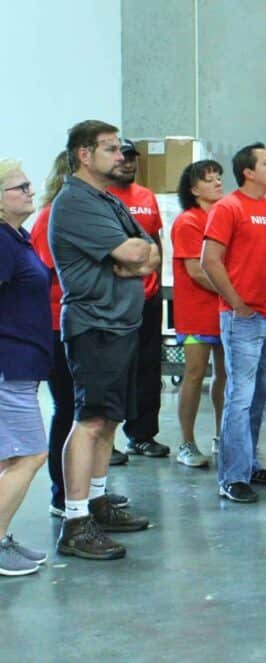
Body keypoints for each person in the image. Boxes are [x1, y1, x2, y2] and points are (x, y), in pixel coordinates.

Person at [50, 120, 157, 559]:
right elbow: (137, 253)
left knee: (109, 420)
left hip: (121, 324)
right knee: (91, 420)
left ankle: (96, 501)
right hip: (95, 326)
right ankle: (75, 521)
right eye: (111, 149)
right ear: (84, 155)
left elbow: (151, 251)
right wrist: (134, 256)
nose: (120, 157)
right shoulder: (75, 202)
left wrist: (135, 257)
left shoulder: (107, 201)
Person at [31, 152, 133, 518]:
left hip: (89, 321)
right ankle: (64, 497)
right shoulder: (53, 218)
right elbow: (53, 272)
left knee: (95, 416)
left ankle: (90, 494)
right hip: (60, 324)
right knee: (72, 413)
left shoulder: (92, 214)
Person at [202, 142, 266, 503]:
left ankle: (249, 462)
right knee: (239, 396)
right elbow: (210, 260)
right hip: (244, 319)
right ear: (248, 172)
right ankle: (233, 477)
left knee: (263, 395)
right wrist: (237, 303)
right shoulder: (228, 208)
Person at [0, 158, 51, 575]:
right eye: (20, 187)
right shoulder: (1, 241)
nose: (30, 191)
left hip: (21, 362)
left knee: (8, 458)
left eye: (30, 185)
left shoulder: (19, 237)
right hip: (8, 364)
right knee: (30, 455)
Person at [108, 139, 169, 459]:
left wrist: (157, 280)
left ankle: (142, 434)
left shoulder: (146, 197)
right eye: (123, 158)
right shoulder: (101, 198)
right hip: (116, 299)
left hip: (149, 296)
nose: (128, 164)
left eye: (132, 159)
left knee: (147, 367)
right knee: (116, 369)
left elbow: (156, 240)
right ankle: (107, 441)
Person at [170, 160, 228, 468]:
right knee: (194, 373)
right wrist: (232, 291)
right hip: (196, 312)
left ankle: (223, 436)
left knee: (226, 374)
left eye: (219, 178)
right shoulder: (189, 222)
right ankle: (187, 442)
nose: (218, 183)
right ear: (194, 190)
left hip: (225, 310)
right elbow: (197, 270)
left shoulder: (225, 216)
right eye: (209, 180)